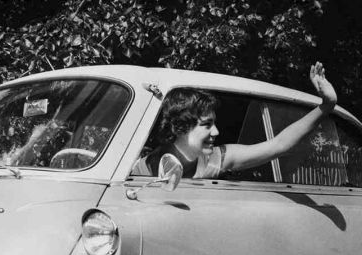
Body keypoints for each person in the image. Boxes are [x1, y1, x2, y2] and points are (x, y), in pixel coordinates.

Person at [132, 62, 337, 178]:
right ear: (180, 128)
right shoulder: (144, 170)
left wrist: (326, 106)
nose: (216, 132)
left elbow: (278, 144)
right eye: (206, 125)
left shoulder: (214, 160)